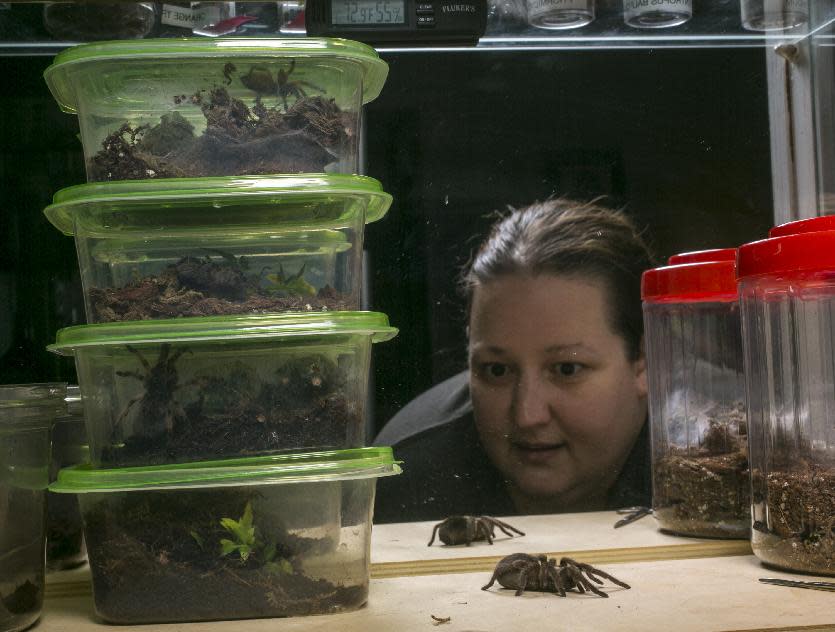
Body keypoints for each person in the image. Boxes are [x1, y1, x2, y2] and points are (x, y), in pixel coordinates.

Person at [373, 198, 656, 523]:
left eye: (567, 369)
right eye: (497, 371)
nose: (527, 416)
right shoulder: (407, 478)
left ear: (646, 361)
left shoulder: (719, 452)